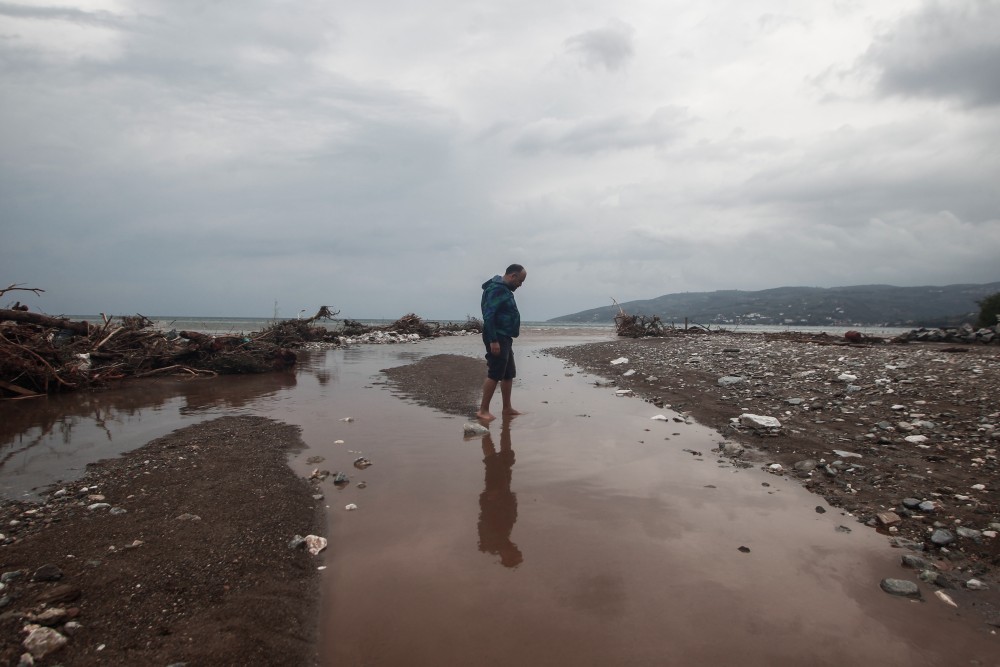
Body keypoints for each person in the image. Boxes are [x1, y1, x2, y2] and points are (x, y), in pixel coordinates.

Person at [476, 264, 527, 422]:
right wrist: (493, 340)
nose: (520, 285)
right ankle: (483, 410)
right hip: (497, 336)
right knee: (495, 372)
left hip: (505, 336)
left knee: (508, 373)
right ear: (512, 276)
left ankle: (507, 408)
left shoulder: (504, 289)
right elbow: (489, 316)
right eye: (520, 281)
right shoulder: (496, 289)